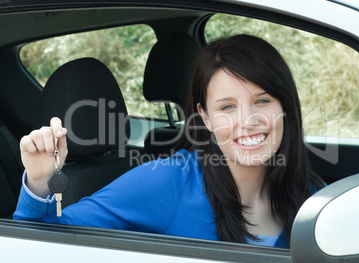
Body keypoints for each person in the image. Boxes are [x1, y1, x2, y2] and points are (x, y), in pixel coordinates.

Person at [13, 34, 325, 248]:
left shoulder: (310, 195)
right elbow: (37, 242)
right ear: (205, 118)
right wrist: (40, 181)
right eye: (227, 107)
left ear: (284, 106)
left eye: (262, 101)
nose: (248, 120)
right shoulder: (168, 182)